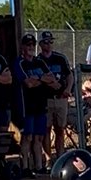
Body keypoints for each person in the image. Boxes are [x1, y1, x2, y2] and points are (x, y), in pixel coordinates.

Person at [13, 33, 51, 175]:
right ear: (22, 46)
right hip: (26, 105)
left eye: (32, 45)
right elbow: (28, 83)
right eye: (27, 45)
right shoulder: (19, 63)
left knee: (39, 137)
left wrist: (38, 78)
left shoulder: (39, 62)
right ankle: (25, 167)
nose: (30, 47)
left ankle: (39, 166)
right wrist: (42, 79)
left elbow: (51, 79)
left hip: (40, 104)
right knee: (27, 137)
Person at [36, 31, 74, 160]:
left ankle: (60, 157)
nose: (49, 44)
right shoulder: (38, 60)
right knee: (46, 130)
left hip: (61, 98)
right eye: (46, 42)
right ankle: (48, 158)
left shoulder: (60, 58)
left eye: (51, 41)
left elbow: (69, 75)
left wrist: (68, 89)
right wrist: (52, 83)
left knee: (60, 129)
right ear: (41, 44)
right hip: (46, 99)